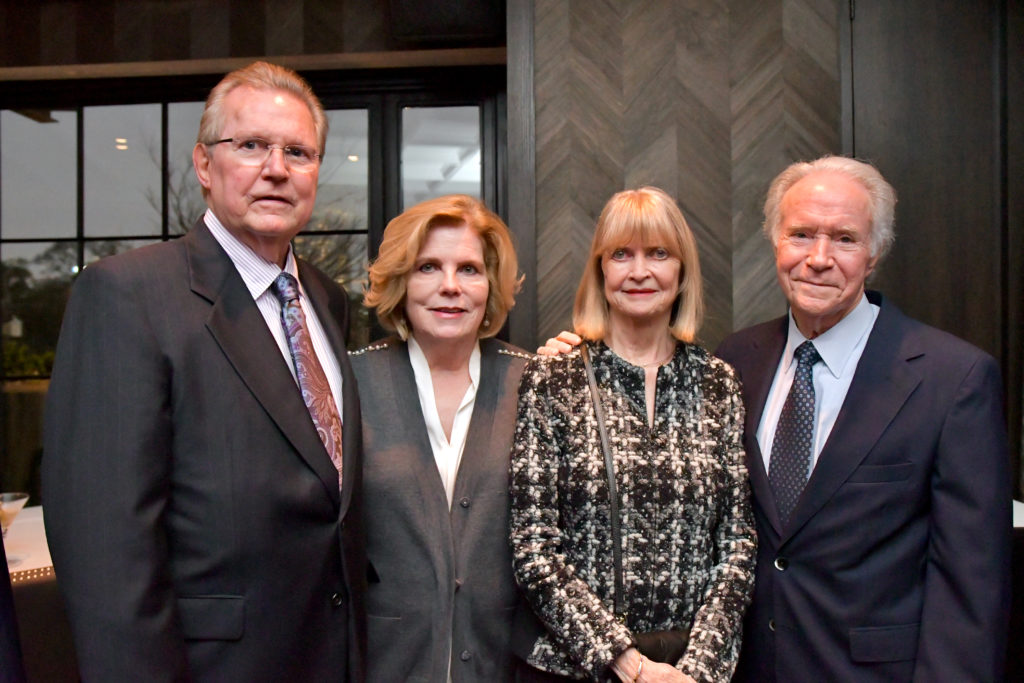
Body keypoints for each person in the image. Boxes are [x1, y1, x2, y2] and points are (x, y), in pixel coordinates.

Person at [42, 61, 367, 681]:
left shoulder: (326, 300)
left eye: (298, 151)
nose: (276, 168)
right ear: (203, 166)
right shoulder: (128, 296)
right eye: (250, 145)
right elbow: (107, 553)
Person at [714, 156, 1011, 681]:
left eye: (845, 239)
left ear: (874, 253)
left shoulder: (953, 378)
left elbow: (971, 585)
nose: (819, 258)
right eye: (801, 234)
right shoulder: (735, 360)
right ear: (775, 242)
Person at [511, 187, 756, 683]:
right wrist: (629, 665)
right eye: (621, 254)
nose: (639, 271)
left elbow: (737, 545)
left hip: (692, 670)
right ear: (601, 270)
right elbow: (533, 547)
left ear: (682, 269)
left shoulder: (718, 384)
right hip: (577, 669)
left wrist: (698, 671)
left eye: (658, 253)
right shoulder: (554, 378)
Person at [350, 194, 531, 681]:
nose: (450, 287)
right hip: (384, 665)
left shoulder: (534, 383)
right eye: (428, 267)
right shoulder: (350, 384)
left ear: (490, 285)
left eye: (469, 269)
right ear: (400, 281)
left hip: (504, 664)